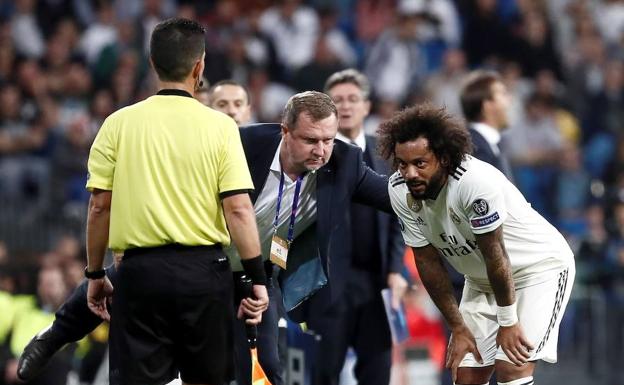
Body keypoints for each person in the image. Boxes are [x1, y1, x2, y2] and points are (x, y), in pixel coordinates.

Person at [17, 91, 393, 384]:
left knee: (269, 368)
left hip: (258, 275)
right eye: (312, 140)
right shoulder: (242, 144)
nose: (322, 150)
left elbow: (392, 195)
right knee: (126, 278)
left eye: (328, 139)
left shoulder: (344, 164)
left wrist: (436, 185)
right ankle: (54, 335)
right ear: (286, 131)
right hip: (201, 256)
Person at [83, 18, 268, 385]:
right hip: (205, 275)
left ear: (151, 62)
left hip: (138, 276)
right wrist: (256, 277)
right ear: (199, 66)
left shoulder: (117, 124)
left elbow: (100, 207)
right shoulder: (221, 127)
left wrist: (95, 274)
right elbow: (238, 209)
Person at [378, 104, 575, 385]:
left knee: (512, 366)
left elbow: (496, 256)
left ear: (444, 158)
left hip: (539, 270)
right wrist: (457, 326)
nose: (409, 173)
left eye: (420, 163)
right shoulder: (399, 189)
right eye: (402, 163)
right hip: (482, 281)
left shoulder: (475, 183)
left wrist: (507, 321)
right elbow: (427, 261)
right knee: (466, 374)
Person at [302, 68, 406, 385]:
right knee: (323, 374)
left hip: (377, 285)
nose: (345, 106)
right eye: (337, 101)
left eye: (352, 99)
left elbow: (400, 216)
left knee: (377, 372)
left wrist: (396, 269)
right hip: (327, 287)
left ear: (366, 106)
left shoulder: (387, 152)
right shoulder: (312, 153)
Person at [460, 70, 513, 179]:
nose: (510, 100)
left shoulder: (492, 145)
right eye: (503, 94)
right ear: (487, 106)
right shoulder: (473, 149)